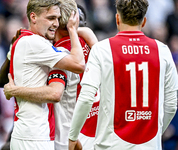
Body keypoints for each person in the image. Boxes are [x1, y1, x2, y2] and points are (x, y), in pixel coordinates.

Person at [68, 0, 178, 150]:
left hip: (111, 144)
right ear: (144, 21)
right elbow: (171, 104)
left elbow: (87, 97)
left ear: (117, 19)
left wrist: (73, 137)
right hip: (149, 144)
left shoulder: (102, 49)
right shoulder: (162, 50)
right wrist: (156, 133)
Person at [3, 1, 98, 150]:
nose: (54, 23)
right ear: (33, 17)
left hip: (53, 134)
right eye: (51, 18)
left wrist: (14, 90)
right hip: (39, 135)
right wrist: (76, 30)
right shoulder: (78, 45)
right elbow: (57, 90)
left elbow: (1, 80)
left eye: (57, 18)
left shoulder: (54, 49)